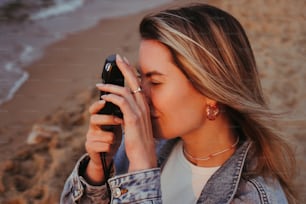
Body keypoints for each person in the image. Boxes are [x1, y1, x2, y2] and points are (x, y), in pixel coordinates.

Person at [60, 3, 297, 204]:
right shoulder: (143, 145)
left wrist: (142, 170)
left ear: (210, 90)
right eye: (141, 78)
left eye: (156, 81)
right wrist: (97, 170)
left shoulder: (253, 196)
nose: (140, 94)